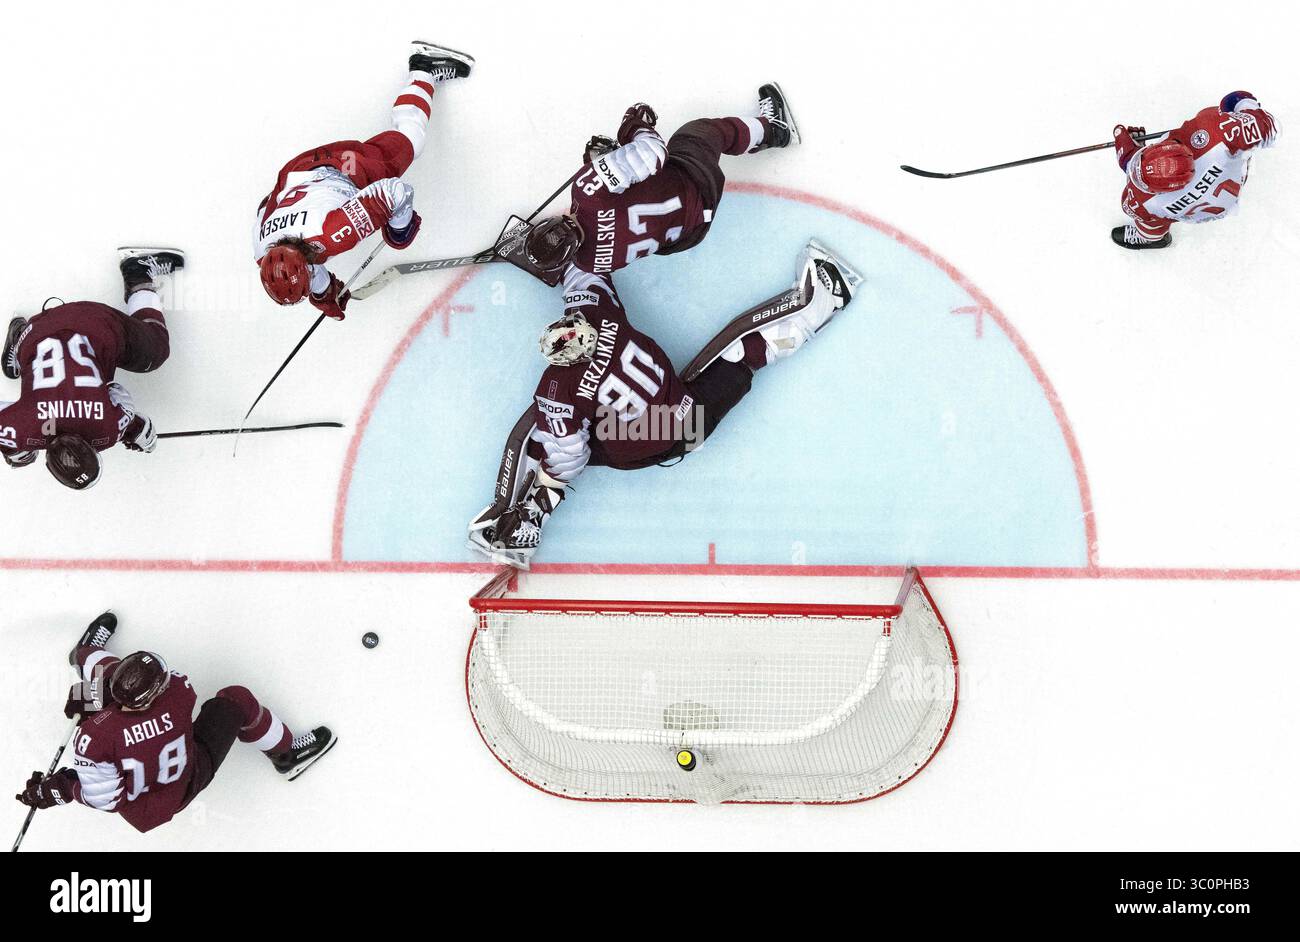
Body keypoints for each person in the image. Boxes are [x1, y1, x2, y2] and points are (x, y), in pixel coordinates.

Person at [467, 240, 861, 568]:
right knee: (741, 353)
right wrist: (559, 246)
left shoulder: (556, 388)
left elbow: (570, 454)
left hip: (640, 447)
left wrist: (559, 461)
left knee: (546, 433)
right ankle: (824, 301)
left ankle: (522, 516)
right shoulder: (603, 318)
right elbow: (588, 275)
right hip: (690, 422)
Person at [15, 612, 334, 835]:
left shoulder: (95, 737)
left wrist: (62, 787)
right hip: (189, 773)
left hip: (141, 807)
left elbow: (106, 798)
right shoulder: (179, 691)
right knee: (236, 699)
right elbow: (142, 710)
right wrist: (98, 700)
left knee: (109, 672)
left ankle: (83, 654)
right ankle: (287, 754)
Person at [254, 40, 473, 319]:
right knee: (313, 236)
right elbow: (265, 208)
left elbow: (395, 191)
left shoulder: (334, 231)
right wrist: (323, 294)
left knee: (410, 142)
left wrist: (399, 230)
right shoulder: (262, 252)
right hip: (296, 173)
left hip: (341, 165)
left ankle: (423, 70)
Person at [506, 85, 799, 285]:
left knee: (632, 190)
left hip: (690, 233)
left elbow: (614, 221)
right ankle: (774, 129)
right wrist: (632, 125)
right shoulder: (586, 190)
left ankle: (620, 161)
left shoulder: (590, 263)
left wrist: (605, 163)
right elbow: (653, 153)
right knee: (701, 132)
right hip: (694, 181)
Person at [1, 248, 184, 490]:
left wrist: (136, 430)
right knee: (36, 365)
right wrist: (14, 446)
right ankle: (19, 337)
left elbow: (117, 392)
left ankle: (138, 274)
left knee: (156, 351)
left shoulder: (108, 429)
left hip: (94, 322)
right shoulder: (18, 428)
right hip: (37, 332)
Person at [1111, 91, 1279, 250]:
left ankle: (1151, 239)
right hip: (1234, 181)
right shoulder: (1216, 131)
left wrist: (1128, 155)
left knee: (1149, 220)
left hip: (1207, 212)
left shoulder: (1139, 202)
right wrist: (1243, 106)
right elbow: (1270, 127)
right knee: (1230, 102)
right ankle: (1241, 151)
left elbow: (1134, 182)